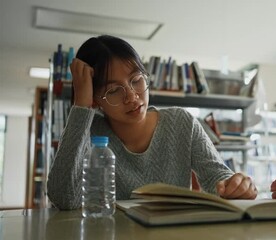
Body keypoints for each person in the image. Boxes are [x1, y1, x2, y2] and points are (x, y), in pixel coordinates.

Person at [47, 35, 257, 210]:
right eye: (113, 91)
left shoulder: (181, 122)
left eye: (136, 80)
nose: (132, 97)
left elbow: (217, 178)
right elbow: (64, 197)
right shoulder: (90, 133)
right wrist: (82, 105)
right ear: (95, 98)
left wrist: (235, 185)